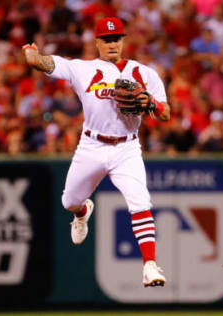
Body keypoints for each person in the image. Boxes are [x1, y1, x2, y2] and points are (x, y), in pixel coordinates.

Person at [22, 17, 170, 287]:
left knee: (140, 202)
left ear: (123, 41)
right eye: (106, 39)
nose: (112, 44)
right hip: (91, 146)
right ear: (97, 42)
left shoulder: (145, 74)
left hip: (127, 147)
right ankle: (82, 213)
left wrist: (152, 105)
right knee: (69, 201)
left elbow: (166, 114)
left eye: (116, 39)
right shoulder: (82, 69)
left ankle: (150, 265)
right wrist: (33, 56)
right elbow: (46, 63)